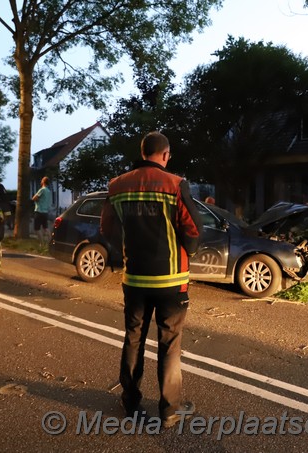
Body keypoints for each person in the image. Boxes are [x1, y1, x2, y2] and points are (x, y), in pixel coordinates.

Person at [100, 131, 202, 428]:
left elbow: (107, 229)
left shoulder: (117, 186)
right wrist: (188, 250)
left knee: (133, 338)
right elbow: (193, 231)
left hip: (135, 280)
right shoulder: (175, 184)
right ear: (166, 155)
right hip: (171, 281)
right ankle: (170, 409)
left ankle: (131, 401)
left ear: (142, 152)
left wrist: (125, 249)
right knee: (170, 343)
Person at [32, 176, 52, 247]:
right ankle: (50, 241)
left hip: (39, 211)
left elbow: (34, 198)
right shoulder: (49, 191)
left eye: (41, 180)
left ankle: (42, 243)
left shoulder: (42, 190)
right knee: (45, 227)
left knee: (37, 228)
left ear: (43, 182)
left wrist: (37, 199)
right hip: (45, 211)